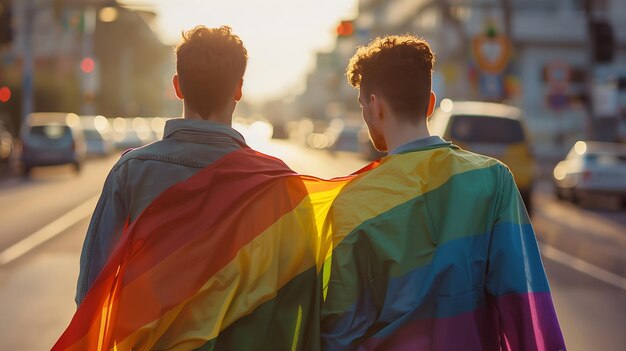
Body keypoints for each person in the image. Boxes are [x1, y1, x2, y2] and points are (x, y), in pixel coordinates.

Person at [321, 35, 566, 350]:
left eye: (362, 105)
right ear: (430, 103)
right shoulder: (493, 180)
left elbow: (340, 329)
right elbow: (524, 302)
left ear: (374, 105)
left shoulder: (353, 201)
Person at [76, 25, 249, 305]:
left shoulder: (131, 172)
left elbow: (91, 290)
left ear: (177, 86)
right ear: (239, 89)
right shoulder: (275, 181)